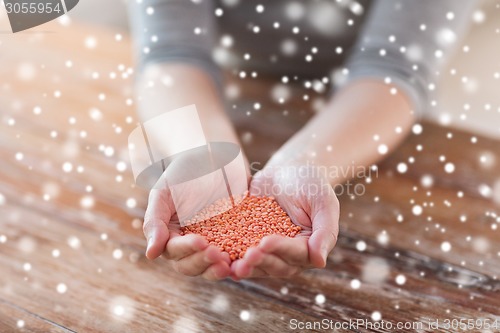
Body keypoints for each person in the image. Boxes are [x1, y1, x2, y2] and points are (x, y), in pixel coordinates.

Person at [128, 0, 477, 280]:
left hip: (375, 117)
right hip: (222, 97)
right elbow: (170, 55)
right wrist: (203, 151)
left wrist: (307, 163)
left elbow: (395, 68)